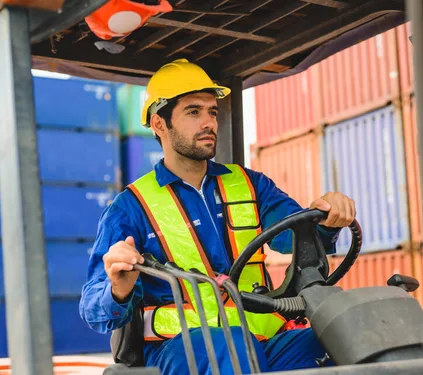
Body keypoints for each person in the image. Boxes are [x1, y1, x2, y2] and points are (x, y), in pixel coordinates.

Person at [79, 58, 356, 374]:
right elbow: (93, 311)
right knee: (228, 345)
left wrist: (324, 219)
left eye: (212, 111)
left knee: (348, 334)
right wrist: (119, 288)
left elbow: (294, 241)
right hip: (181, 348)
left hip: (263, 341)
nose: (209, 122)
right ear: (159, 124)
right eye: (194, 112)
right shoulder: (129, 208)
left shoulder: (252, 185)